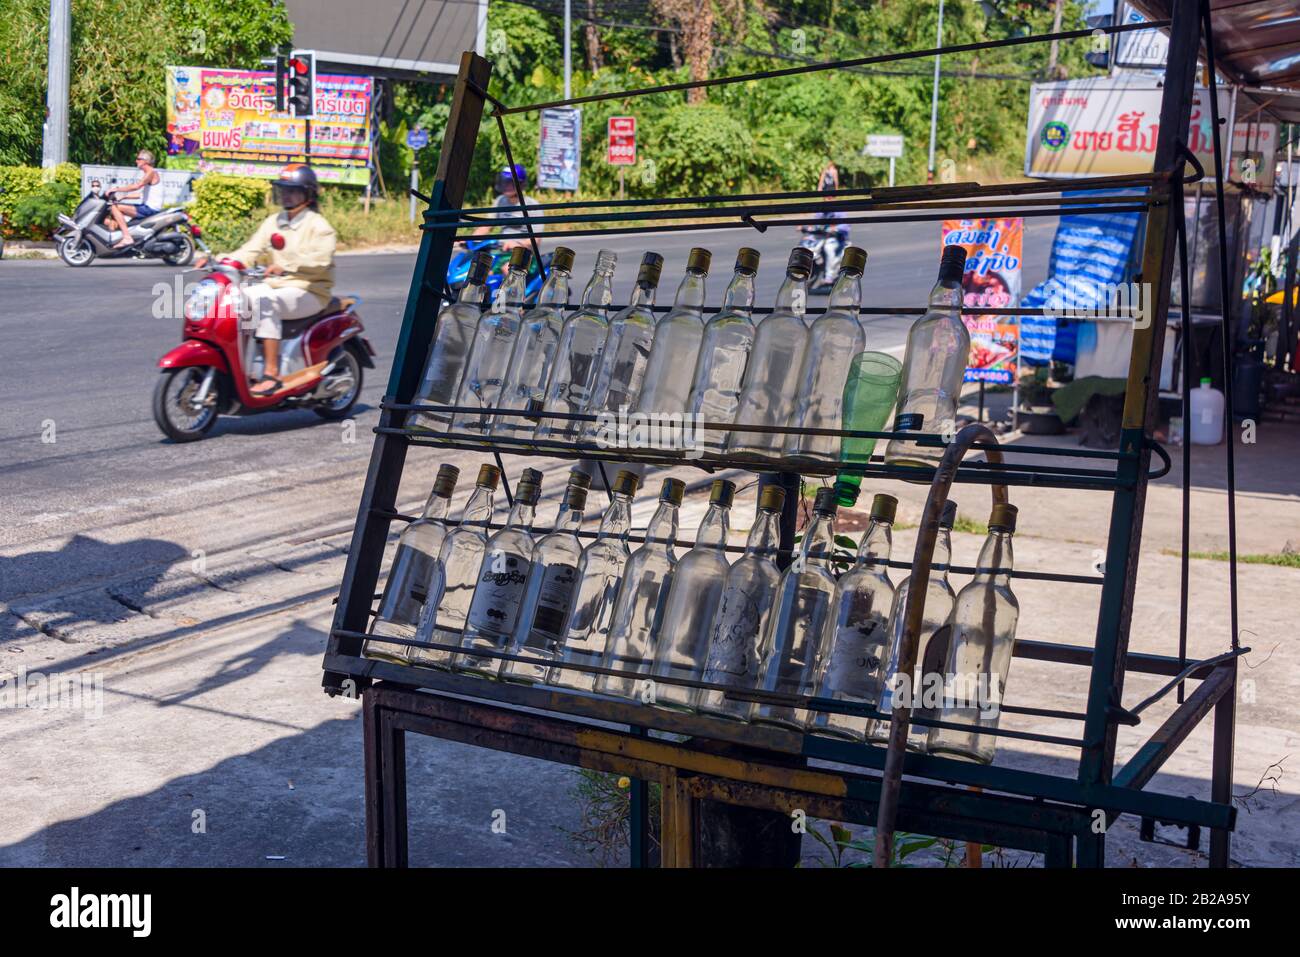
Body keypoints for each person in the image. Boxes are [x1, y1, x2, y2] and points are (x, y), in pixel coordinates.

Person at [195, 164, 337, 397]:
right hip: (276, 287)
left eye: (293, 190)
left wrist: (287, 265)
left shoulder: (318, 225)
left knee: (263, 301)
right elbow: (250, 250)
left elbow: (321, 259)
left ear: (308, 194)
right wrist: (218, 261)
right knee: (239, 300)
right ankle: (246, 369)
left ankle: (272, 373)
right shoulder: (274, 221)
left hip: (310, 291)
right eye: (283, 189)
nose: (286, 195)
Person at [472, 164, 544, 250]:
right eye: (504, 182)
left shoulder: (532, 205)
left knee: (507, 264)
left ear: (521, 185)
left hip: (522, 253)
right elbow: (487, 226)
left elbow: (536, 240)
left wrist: (517, 244)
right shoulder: (500, 201)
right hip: (501, 249)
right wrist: (469, 240)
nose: (506, 186)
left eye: (511, 183)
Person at [107, 150, 162, 248]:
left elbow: (137, 186)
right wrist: (123, 196)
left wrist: (116, 189)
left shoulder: (151, 172)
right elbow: (140, 195)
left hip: (149, 209)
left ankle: (127, 237)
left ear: (145, 161)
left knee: (114, 207)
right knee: (116, 211)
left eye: (138, 159)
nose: (136, 161)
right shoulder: (149, 173)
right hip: (146, 207)